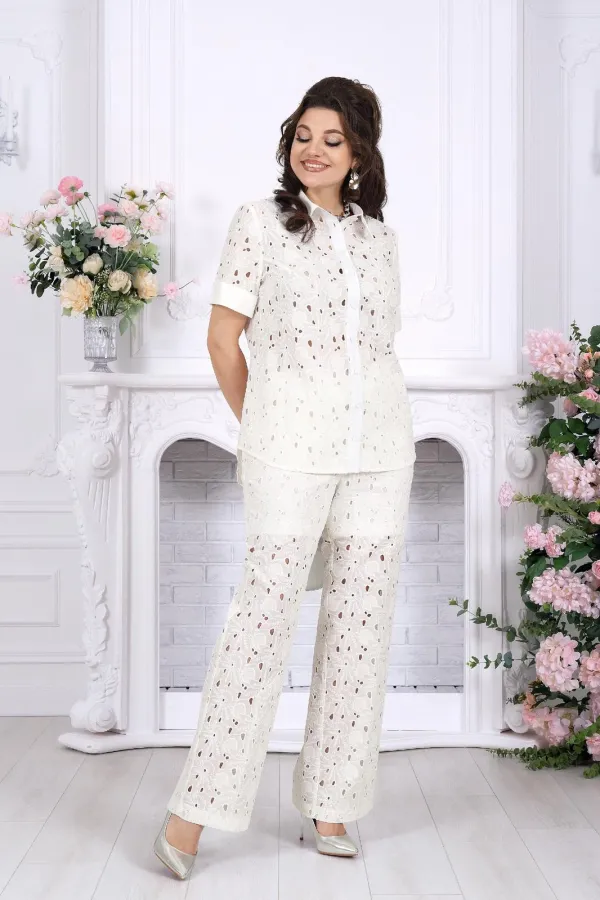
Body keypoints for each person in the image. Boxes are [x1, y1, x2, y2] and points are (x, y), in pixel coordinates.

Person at [153, 75, 416, 880]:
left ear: (360, 151)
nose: (314, 150)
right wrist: (262, 426)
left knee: (360, 631)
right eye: (304, 135)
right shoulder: (259, 224)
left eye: (332, 139)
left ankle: (332, 802)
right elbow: (222, 340)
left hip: (380, 452)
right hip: (288, 453)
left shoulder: (380, 239)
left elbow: (377, 350)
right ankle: (192, 813)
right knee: (259, 627)